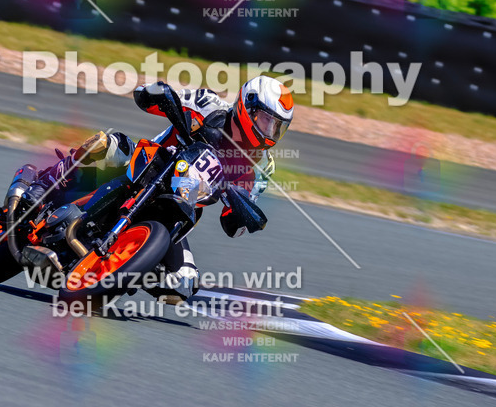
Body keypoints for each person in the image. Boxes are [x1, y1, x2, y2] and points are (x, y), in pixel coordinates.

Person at [19, 76, 294, 303]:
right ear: (247, 107)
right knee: (111, 145)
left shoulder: (261, 168)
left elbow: (234, 223)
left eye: (277, 128)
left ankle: (120, 268)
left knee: (182, 285)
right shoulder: (208, 105)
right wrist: (159, 94)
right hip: (148, 163)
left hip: (181, 208)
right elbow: (147, 95)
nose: (270, 132)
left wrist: (238, 211)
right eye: (266, 121)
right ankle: (41, 185)